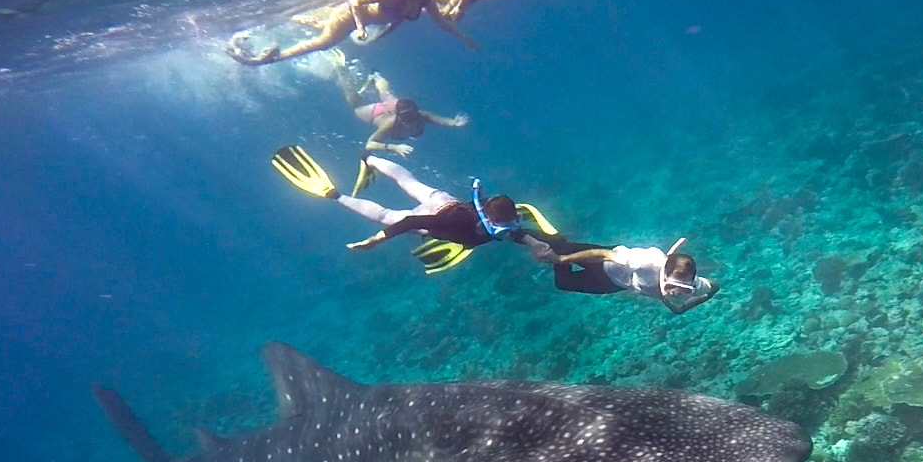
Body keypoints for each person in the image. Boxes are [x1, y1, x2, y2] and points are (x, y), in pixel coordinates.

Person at [270, 144, 550, 273]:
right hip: (432, 220)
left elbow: (519, 234)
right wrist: (375, 240)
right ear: (489, 219)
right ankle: (336, 195)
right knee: (385, 216)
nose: (506, 232)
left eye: (509, 226)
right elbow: (406, 225)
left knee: (408, 179)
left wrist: (536, 245)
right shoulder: (459, 225)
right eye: (502, 228)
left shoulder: (502, 224)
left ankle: (370, 158)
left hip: (444, 200)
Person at [324, 50, 469, 191]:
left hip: (395, 105)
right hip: (376, 113)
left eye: (413, 117)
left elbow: (439, 120)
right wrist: (394, 148)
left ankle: (376, 76)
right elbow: (370, 144)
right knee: (355, 102)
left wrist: (454, 123)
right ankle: (341, 70)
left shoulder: (420, 115)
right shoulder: (390, 124)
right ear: (400, 117)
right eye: (407, 119)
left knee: (387, 94)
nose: (412, 122)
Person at [228, 0, 446, 67]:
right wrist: (361, 27)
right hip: (350, 17)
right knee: (323, 42)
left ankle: (289, 17)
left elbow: (397, 21)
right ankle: (272, 58)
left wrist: (465, 38)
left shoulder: (418, 2)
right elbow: (355, 2)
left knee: (325, 28)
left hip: (350, 21)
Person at [540, 237, 719, 314]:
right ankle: (531, 236)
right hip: (606, 261)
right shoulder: (644, 262)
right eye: (671, 287)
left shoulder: (695, 286)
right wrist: (561, 259)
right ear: (663, 274)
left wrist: (684, 307)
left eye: (684, 290)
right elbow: (602, 254)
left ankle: (552, 247)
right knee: (560, 248)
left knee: (562, 283)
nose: (676, 293)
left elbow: (714, 287)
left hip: (612, 283)